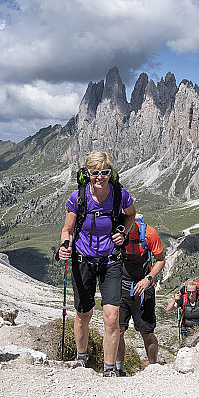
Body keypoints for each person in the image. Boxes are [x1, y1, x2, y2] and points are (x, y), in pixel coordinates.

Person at [58, 150, 136, 377]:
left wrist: (123, 231)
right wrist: (65, 245)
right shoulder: (78, 197)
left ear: (111, 173)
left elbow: (131, 215)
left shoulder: (120, 195)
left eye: (105, 172)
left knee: (112, 317)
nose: (100, 177)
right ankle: (81, 359)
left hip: (111, 261)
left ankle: (109, 369)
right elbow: (68, 229)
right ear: (87, 173)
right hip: (83, 259)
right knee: (84, 314)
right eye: (95, 173)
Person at [116, 214, 166, 374]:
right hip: (121, 287)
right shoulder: (116, 233)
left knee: (147, 332)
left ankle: (153, 368)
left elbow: (160, 259)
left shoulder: (149, 234)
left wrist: (148, 279)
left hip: (143, 288)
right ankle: (119, 369)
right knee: (117, 330)